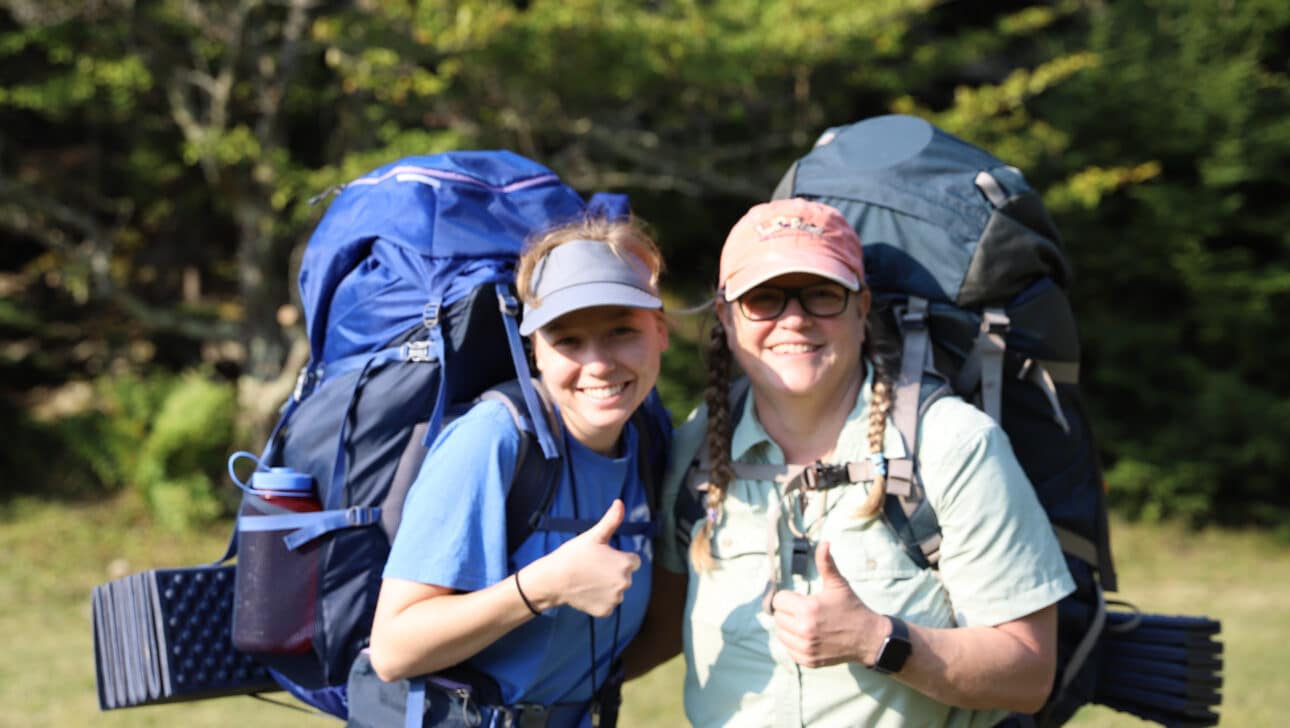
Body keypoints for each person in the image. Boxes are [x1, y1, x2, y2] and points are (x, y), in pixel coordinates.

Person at [645, 198, 1076, 727]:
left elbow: (1029, 674)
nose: (795, 320)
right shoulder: (698, 447)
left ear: (861, 306)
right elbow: (660, 629)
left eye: (822, 295)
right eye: (765, 299)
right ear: (726, 317)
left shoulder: (951, 446)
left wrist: (876, 640)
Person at [349, 216, 671, 728]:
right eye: (567, 341)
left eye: (621, 331)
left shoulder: (650, 440)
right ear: (534, 350)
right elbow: (393, 649)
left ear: (661, 331)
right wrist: (544, 586)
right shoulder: (494, 439)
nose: (599, 364)